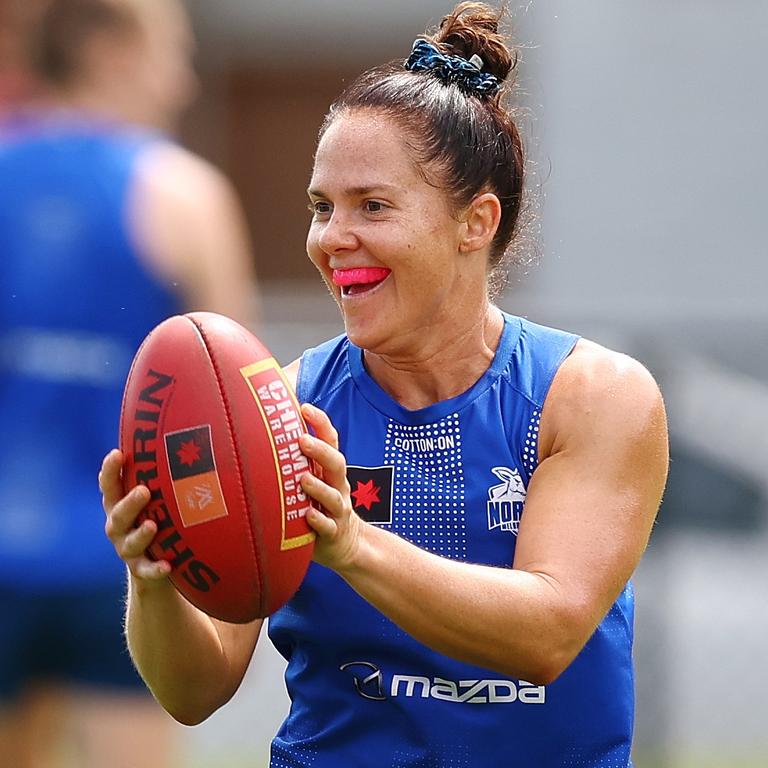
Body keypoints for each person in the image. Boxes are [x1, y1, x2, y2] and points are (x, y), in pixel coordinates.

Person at [100, 3, 668, 766]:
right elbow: (196, 693)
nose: (334, 238)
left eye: (373, 206)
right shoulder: (282, 408)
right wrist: (156, 574)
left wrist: (351, 544)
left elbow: (547, 631)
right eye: (321, 207)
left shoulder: (592, 396)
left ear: (476, 223)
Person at [0, 1, 258, 766]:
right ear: (109, 49)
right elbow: (238, 404)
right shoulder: (186, 194)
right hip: (130, 557)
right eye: (171, 54)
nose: (181, 84)